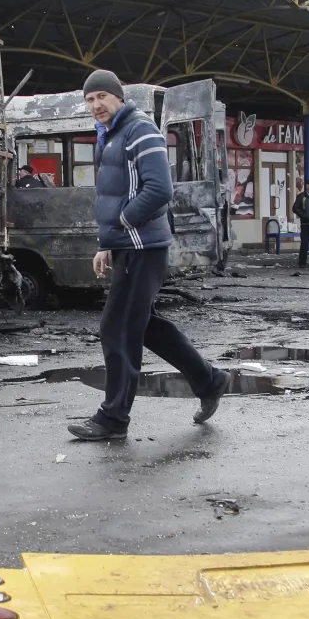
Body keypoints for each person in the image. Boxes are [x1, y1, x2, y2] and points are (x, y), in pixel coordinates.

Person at [66, 69, 228, 442]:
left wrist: (122, 223)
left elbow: (159, 190)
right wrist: (107, 242)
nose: (96, 105)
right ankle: (210, 380)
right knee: (144, 325)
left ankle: (113, 418)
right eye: (90, 99)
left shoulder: (141, 130)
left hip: (144, 246)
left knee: (118, 327)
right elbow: (113, 195)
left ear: (119, 98)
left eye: (102, 97)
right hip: (127, 244)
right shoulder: (108, 136)